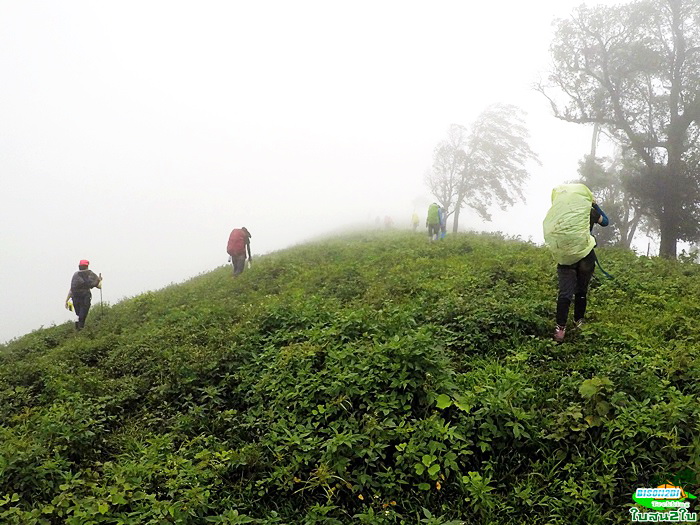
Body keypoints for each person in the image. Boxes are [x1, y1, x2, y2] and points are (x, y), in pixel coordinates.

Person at [543, 184, 609, 343]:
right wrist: (595, 204)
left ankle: (560, 329)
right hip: (585, 256)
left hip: (565, 257)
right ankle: (579, 322)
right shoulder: (590, 211)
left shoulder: (562, 215)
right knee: (581, 291)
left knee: (565, 293)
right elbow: (605, 221)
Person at [65, 259, 102, 331]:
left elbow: (71, 289)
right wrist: (99, 280)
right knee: (83, 314)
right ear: (87, 266)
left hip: (75, 298)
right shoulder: (90, 274)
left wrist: (66, 300)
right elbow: (99, 286)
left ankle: (77, 329)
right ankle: (80, 330)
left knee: (78, 314)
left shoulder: (75, 275)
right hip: (85, 297)